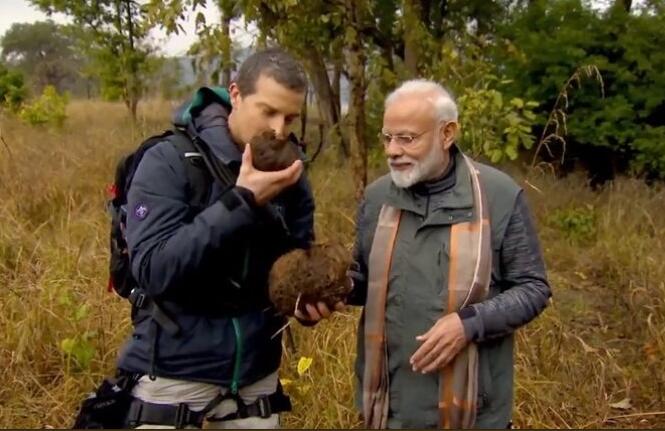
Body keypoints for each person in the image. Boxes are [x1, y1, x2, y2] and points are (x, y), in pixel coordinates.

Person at [115, 47, 331, 429]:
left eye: (291, 117)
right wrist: (241, 201)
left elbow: (294, 262)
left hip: (256, 374)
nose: (280, 130)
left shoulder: (291, 173)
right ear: (235, 94)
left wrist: (302, 302)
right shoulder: (168, 161)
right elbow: (153, 269)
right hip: (173, 371)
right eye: (268, 111)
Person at [346, 79, 552, 429]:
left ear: (447, 134)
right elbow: (364, 280)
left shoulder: (498, 196)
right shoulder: (378, 198)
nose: (392, 150)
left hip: (473, 413)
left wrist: (469, 324)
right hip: (388, 409)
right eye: (387, 137)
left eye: (407, 138)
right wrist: (331, 289)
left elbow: (533, 288)